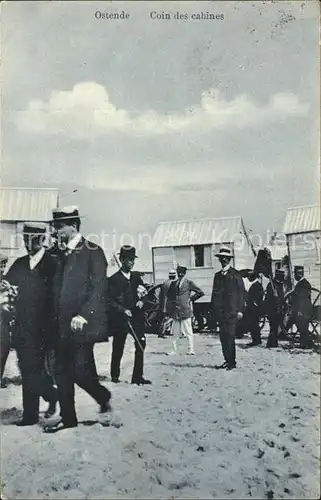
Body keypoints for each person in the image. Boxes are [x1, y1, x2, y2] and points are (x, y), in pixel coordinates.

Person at [44, 206, 111, 434]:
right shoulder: (58, 255)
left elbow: (99, 288)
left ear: (73, 226)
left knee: (81, 372)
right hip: (59, 325)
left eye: (59, 226)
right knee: (61, 371)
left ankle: (103, 395)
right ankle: (68, 418)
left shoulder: (93, 252)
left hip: (82, 325)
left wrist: (84, 314)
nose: (55, 231)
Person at [4, 223, 58, 426]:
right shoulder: (18, 264)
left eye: (33, 239)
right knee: (27, 368)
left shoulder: (53, 264)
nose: (28, 244)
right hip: (22, 327)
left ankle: (39, 406)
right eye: (26, 239)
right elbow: (7, 287)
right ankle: (43, 402)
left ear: (42, 239)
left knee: (35, 369)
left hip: (45, 328)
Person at [108, 245, 152, 385]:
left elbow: (144, 293)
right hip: (121, 320)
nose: (132, 262)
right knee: (118, 346)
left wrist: (142, 302)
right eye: (129, 259)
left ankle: (137, 377)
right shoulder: (113, 279)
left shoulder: (136, 277)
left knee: (141, 344)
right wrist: (122, 310)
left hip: (136, 318)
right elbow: (109, 301)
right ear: (121, 260)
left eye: (133, 259)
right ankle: (115, 375)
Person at [211, 246, 245, 370]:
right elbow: (214, 294)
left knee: (230, 336)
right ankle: (226, 360)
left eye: (226, 258)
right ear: (219, 260)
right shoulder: (217, 276)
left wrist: (240, 310)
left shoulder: (236, 275)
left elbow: (241, 293)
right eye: (222, 258)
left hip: (232, 311)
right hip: (221, 312)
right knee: (223, 337)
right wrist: (213, 311)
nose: (224, 260)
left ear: (229, 260)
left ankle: (232, 362)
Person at [166, 265, 204, 356]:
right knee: (175, 332)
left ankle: (191, 349)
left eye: (182, 273)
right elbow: (170, 296)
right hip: (176, 311)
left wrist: (191, 299)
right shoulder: (173, 283)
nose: (180, 274)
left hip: (185, 310)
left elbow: (200, 292)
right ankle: (174, 350)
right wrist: (171, 306)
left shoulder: (189, 283)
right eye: (179, 272)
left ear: (184, 273)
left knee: (188, 331)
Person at [285, 265, 312, 349]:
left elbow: (303, 299)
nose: (295, 276)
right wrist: (286, 296)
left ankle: (305, 344)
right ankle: (305, 343)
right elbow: (295, 293)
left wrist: (300, 310)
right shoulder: (300, 283)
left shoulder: (304, 284)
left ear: (299, 274)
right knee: (301, 326)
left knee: (303, 327)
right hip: (299, 309)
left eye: (295, 275)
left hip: (303, 310)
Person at [264, 268, 286, 348]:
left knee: (275, 326)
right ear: (278, 276)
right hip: (272, 309)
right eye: (281, 276)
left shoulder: (279, 285)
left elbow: (281, 297)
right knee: (273, 326)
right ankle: (271, 343)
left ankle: (274, 342)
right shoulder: (272, 285)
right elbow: (269, 298)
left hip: (278, 309)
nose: (283, 278)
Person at [244, 271, 264, 347]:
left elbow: (259, 296)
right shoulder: (256, 284)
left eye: (249, 276)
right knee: (254, 324)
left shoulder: (256, 285)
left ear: (253, 277)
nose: (248, 278)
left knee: (254, 325)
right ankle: (257, 340)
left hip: (254, 309)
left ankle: (256, 340)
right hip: (253, 308)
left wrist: (254, 303)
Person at [157, 269, 177, 338]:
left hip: (163, 304)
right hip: (171, 304)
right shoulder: (174, 284)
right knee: (170, 318)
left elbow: (160, 295)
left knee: (165, 318)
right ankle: (162, 332)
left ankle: (163, 332)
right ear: (174, 276)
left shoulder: (164, 283)